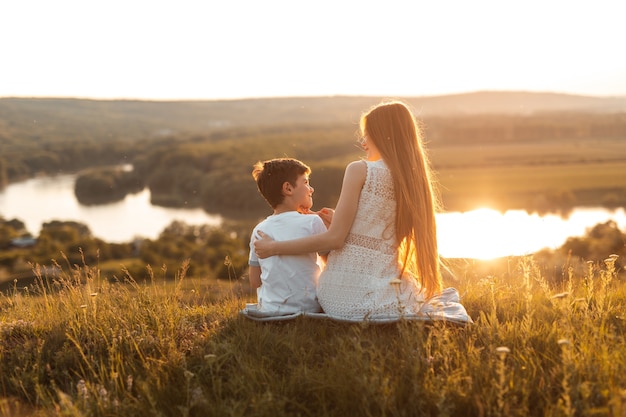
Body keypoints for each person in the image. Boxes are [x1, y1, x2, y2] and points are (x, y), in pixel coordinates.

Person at [254, 100, 471, 323]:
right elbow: (374, 231)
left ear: (382, 134)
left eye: (367, 134)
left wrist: (273, 247)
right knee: (416, 296)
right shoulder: (414, 182)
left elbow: (335, 240)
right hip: (377, 292)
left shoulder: (359, 169)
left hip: (338, 297)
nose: (363, 142)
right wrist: (339, 220)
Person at [247, 157, 329, 316]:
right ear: (288, 189)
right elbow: (331, 266)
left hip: (270, 310)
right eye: (306, 183)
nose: (311, 189)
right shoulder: (313, 222)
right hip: (309, 308)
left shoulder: (259, 230)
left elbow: (254, 281)